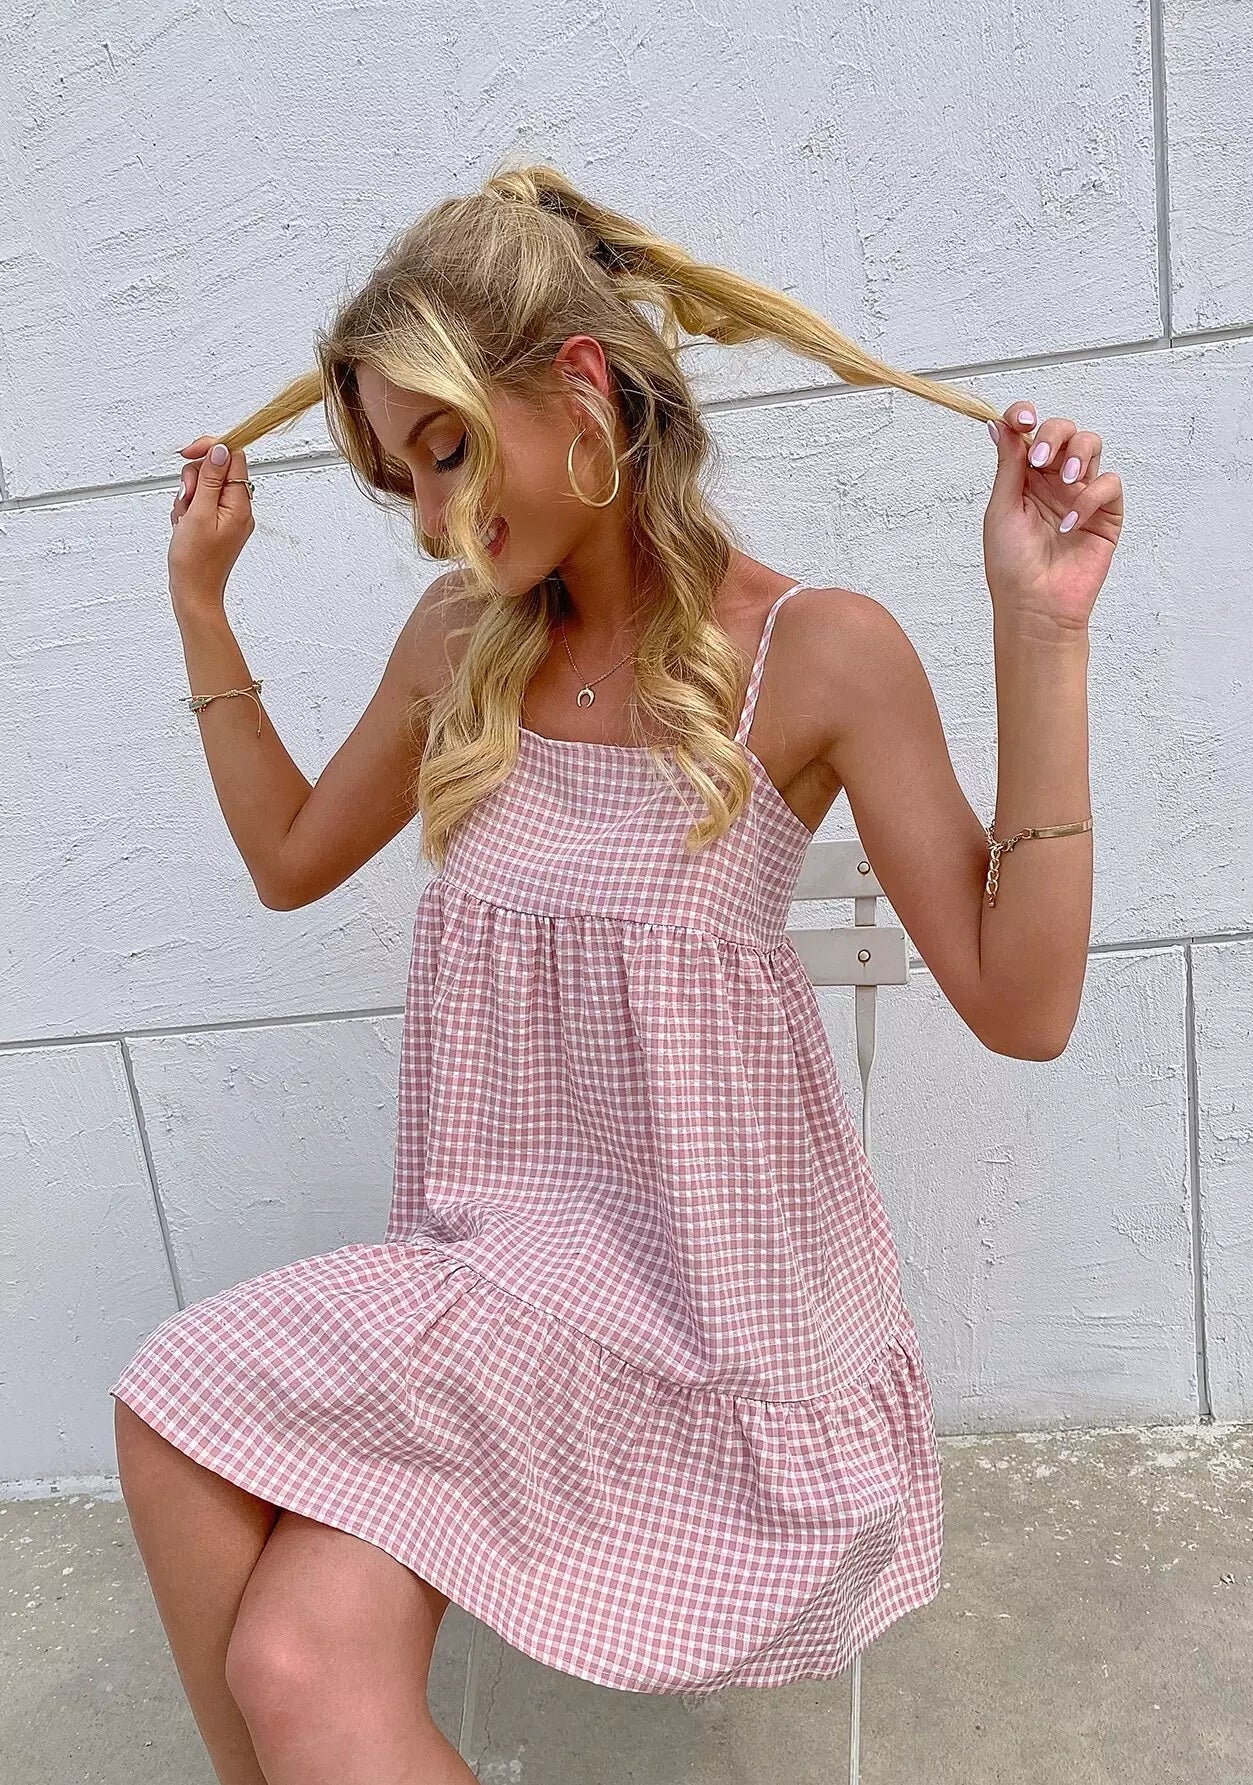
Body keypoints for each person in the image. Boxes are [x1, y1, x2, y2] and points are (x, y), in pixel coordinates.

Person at [110, 157, 1122, 1784]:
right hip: (490, 1283)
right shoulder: (462, 644)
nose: (432, 515)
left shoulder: (816, 653)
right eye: (401, 477)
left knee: (274, 1616)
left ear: (579, 382)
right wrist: (198, 605)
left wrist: (1043, 628)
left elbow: (1027, 1003)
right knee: (216, 1507)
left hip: (703, 1321)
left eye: (447, 447)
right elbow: (292, 858)